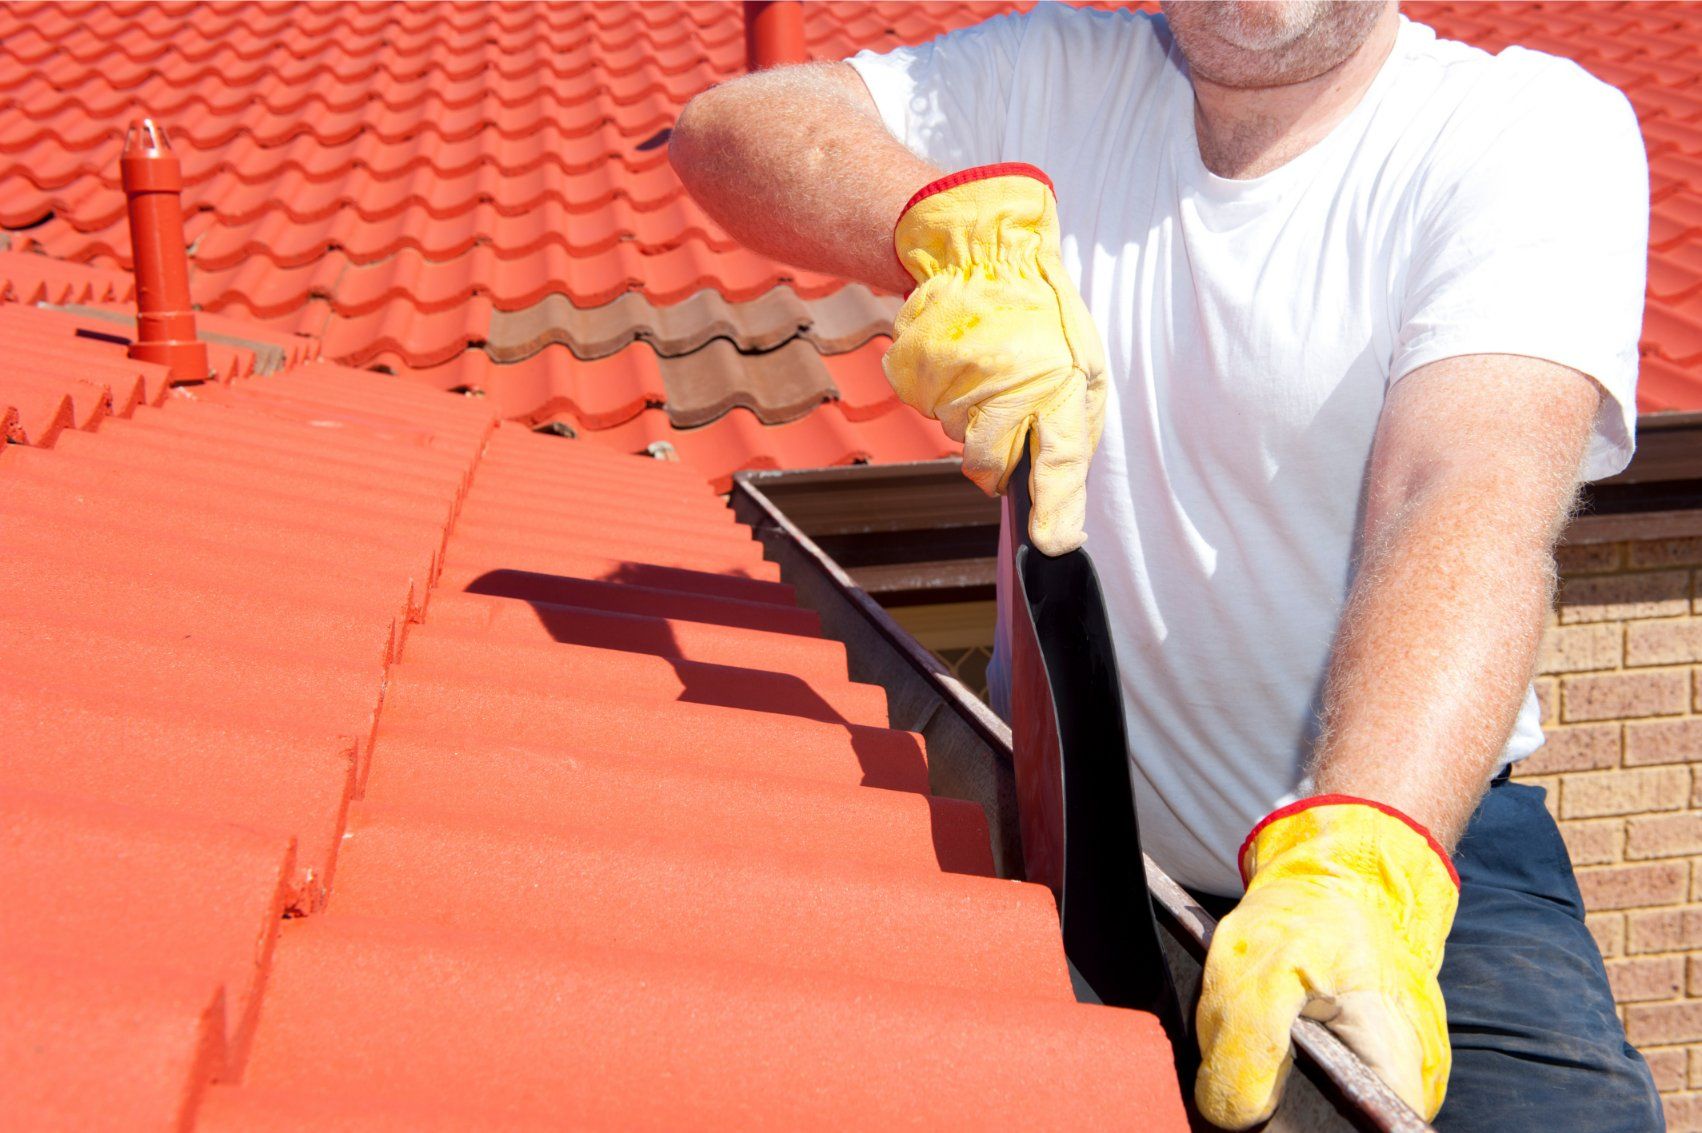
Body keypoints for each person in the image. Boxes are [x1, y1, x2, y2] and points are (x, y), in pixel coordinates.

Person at [668, 2, 1658, 1128]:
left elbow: (1466, 490)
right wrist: (938, 230)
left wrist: (1364, 859)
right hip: (1073, 852)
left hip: (1413, 859)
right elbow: (733, 127)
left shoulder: (1520, 131)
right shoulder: (1056, 73)